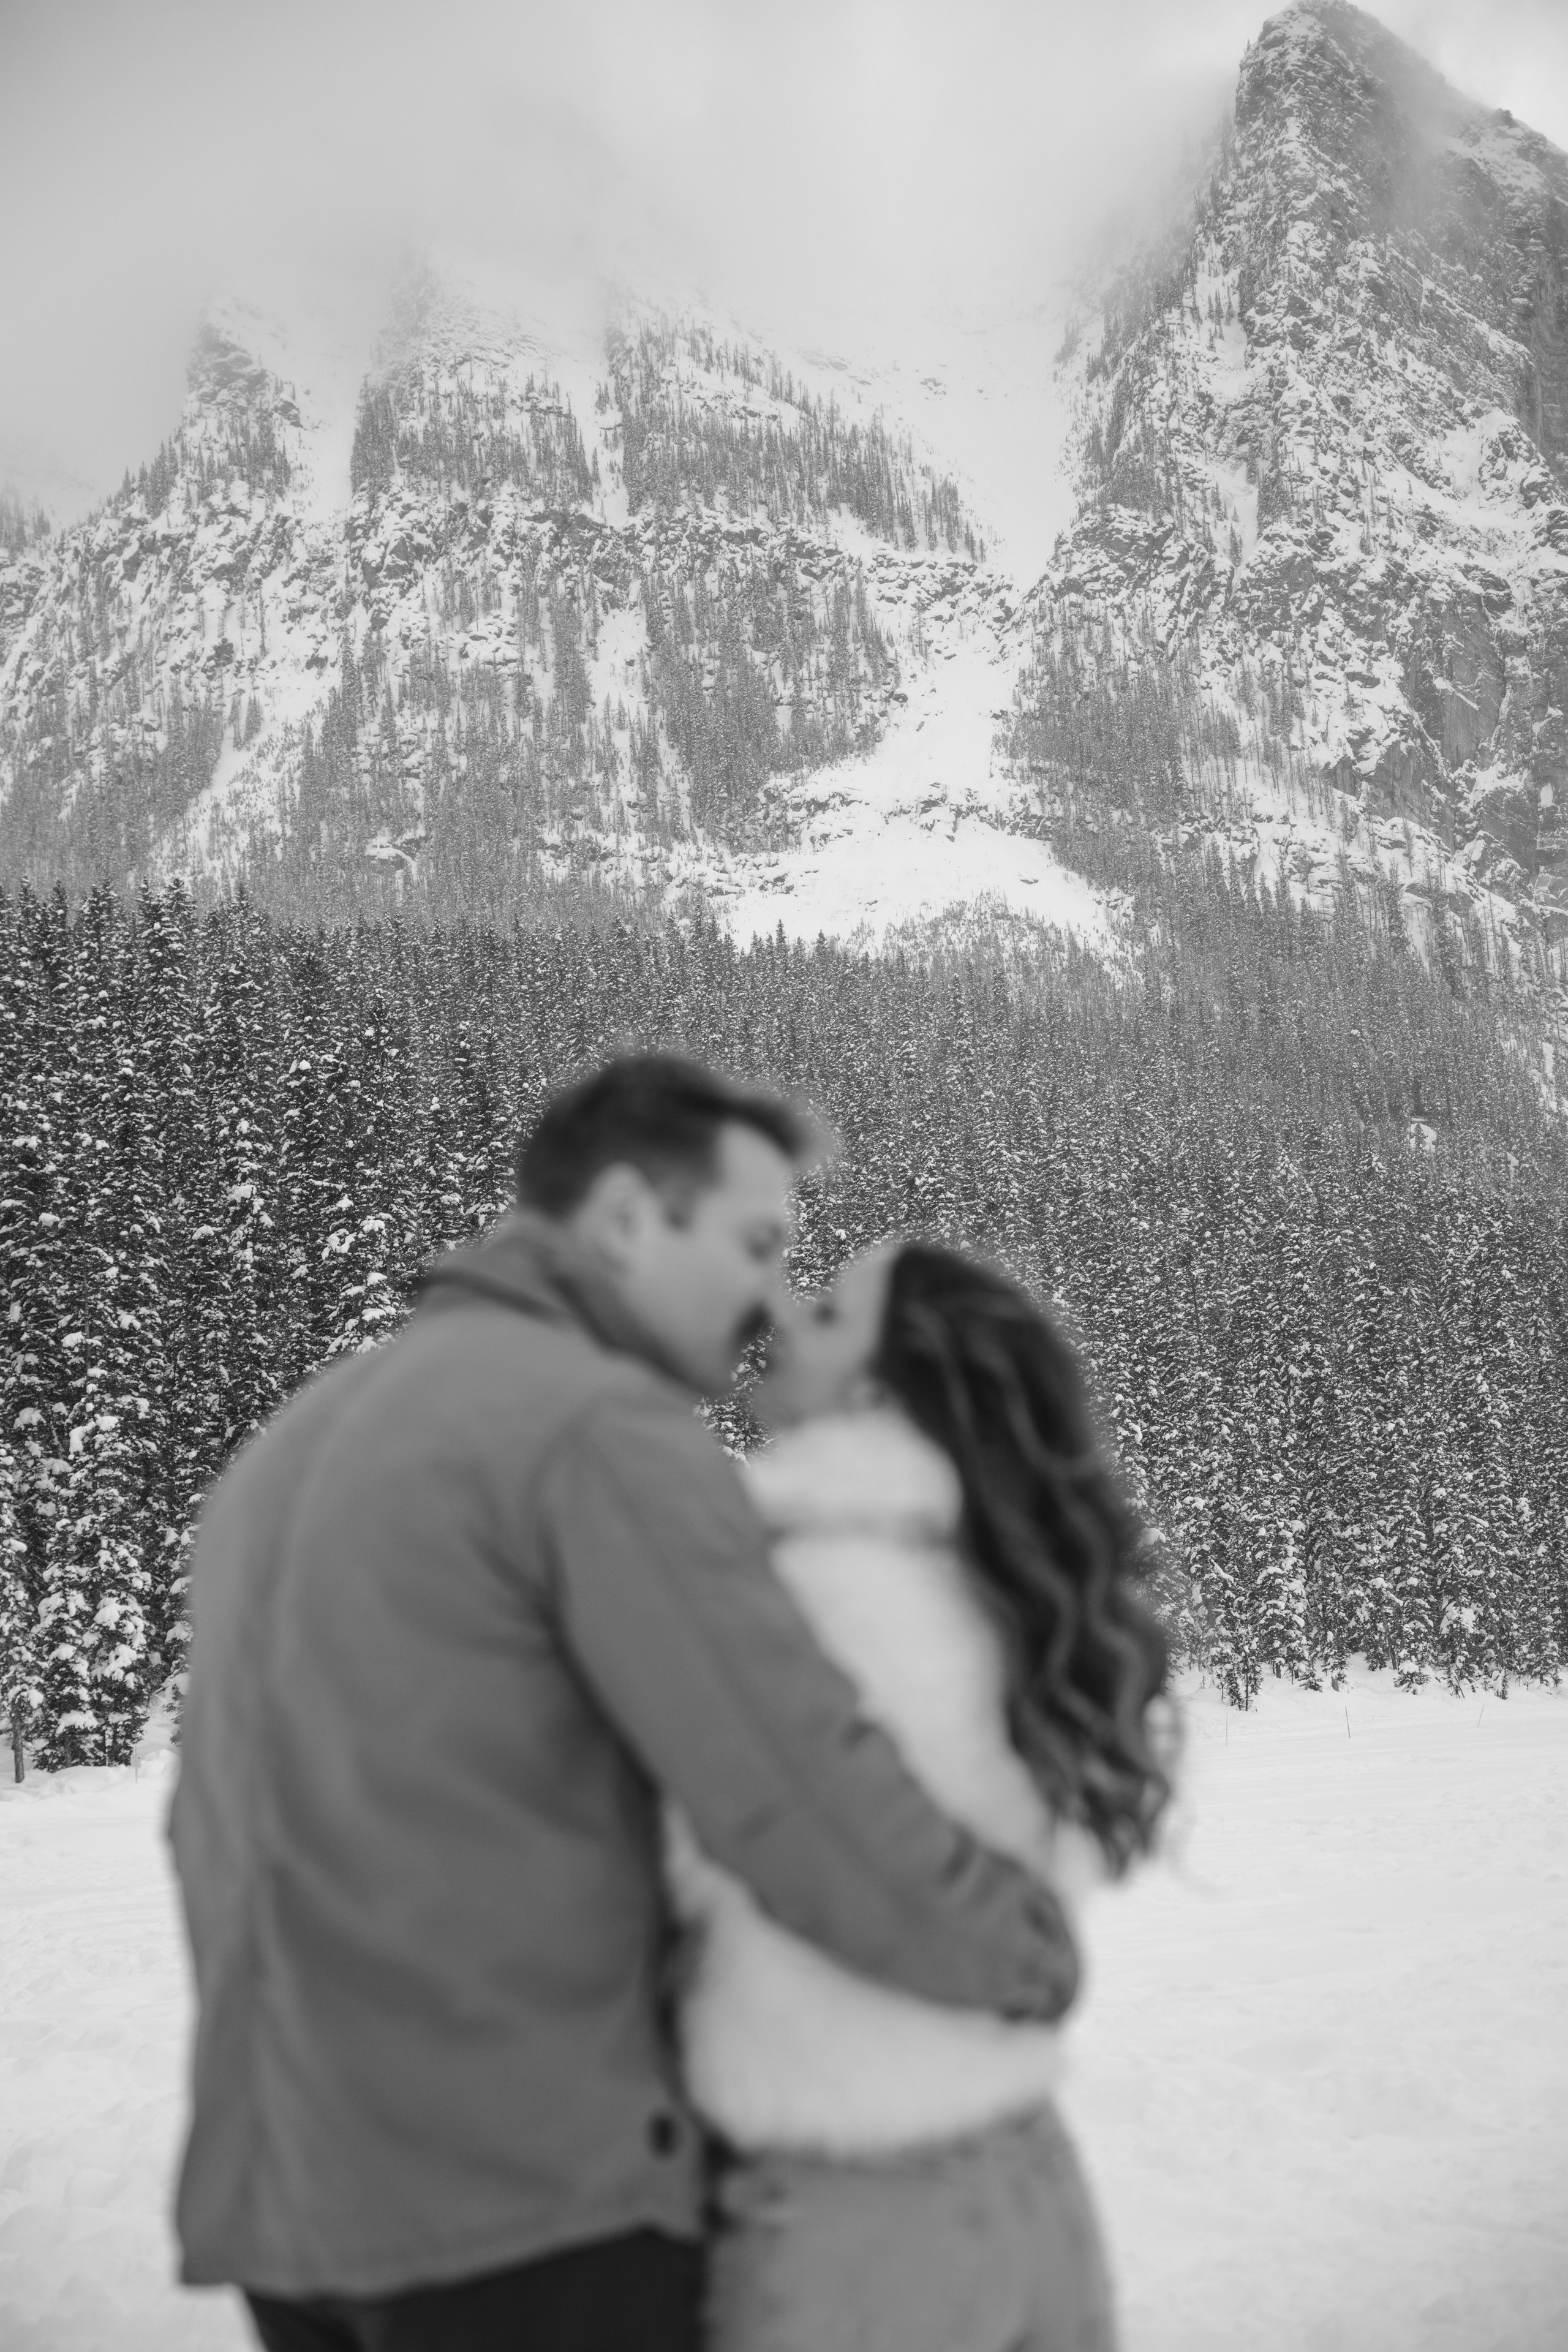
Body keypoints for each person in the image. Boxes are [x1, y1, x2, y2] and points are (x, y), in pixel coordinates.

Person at [168, 1057, 1082, 2352]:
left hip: (292, 2209)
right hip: (527, 2214)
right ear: (622, 1221)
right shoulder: (592, 1430)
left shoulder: (292, 1447)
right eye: (755, 1240)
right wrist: (1019, 1953)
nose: (772, 1294)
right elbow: (791, 1789)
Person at [666, 1240, 1175, 2352]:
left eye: (832, 1310)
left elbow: (669, 1859)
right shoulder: (1011, 1592)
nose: (786, 1314)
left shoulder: (794, 1594)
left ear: (879, 1388)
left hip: (855, 2225)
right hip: (1028, 2185)